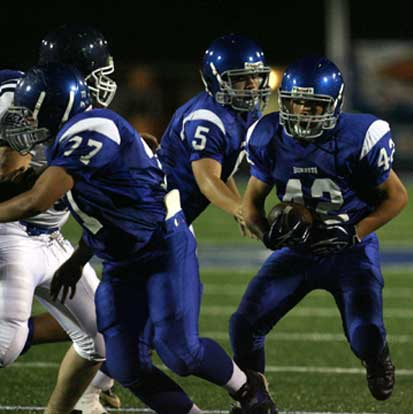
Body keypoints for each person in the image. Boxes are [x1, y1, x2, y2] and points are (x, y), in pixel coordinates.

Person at [0, 62, 277, 414]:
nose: (24, 122)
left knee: (180, 351)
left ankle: (249, 392)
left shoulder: (89, 128)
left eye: (31, 113)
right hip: (119, 256)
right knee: (127, 365)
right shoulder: (71, 137)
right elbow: (103, 209)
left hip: (160, 245)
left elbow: (36, 200)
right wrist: (78, 258)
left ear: (56, 108)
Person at [229, 55, 408, 402]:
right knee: (243, 325)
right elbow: (251, 204)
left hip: (350, 251)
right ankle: (256, 399)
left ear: (334, 105)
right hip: (296, 253)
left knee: (365, 334)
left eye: (313, 104)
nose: (302, 111)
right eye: (296, 101)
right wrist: (267, 231)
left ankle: (376, 358)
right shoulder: (268, 135)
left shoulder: (359, 138)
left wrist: (355, 231)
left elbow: (396, 198)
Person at [0, 24, 119, 414]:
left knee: (102, 340)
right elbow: (13, 179)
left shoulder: (86, 115)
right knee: (5, 345)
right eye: (99, 74)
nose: (107, 85)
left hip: (52, 238)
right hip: (10, 230)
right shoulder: (15, 98)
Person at [157, 34, 271, 235]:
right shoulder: (207, 119)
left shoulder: (246, 112)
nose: (252, 84)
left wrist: (239, 208)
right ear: (216, 79)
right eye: (240, 77)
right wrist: (243, 210)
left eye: (255, 76)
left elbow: (221, 169)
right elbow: (208, 181)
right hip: (156, 212)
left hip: (176, 215)